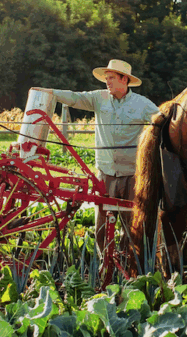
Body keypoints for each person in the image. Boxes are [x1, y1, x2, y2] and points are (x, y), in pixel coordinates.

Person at [42, 59, 159, 252]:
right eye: (107, 78)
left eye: (112, 78)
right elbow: (74, 97)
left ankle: (128, 266)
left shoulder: (143, 105)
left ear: (125, 79)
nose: (108, 82)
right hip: (105, 174)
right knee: (102, 228)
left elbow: (161, 121)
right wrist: (51, 93)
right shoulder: (99, 98)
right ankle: (106, 264)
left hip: (132, 175)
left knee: (132, 226)